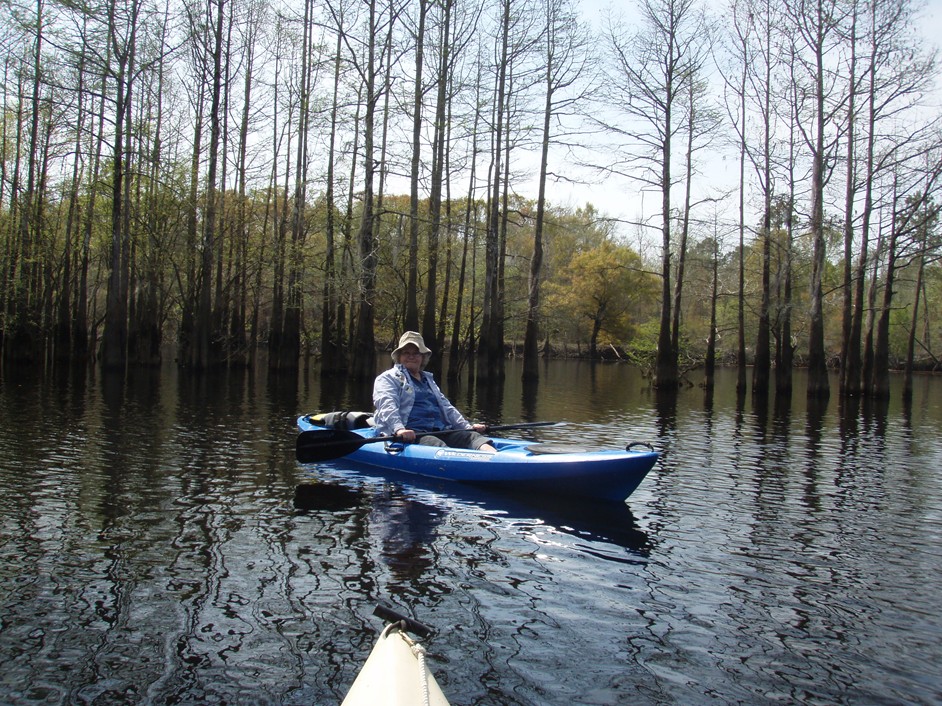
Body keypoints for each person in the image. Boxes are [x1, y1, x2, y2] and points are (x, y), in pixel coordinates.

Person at [373, 331, 497, 452]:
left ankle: (494, 458)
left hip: (441, 430)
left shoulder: (428, 380)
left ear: (422, 357)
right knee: (435, 444)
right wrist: (399, 429)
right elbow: (387, 405)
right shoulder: (387, 378)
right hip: (413, 433)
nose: (411, 356)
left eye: (416, 353)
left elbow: (447, 408)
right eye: (406, 353)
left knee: (473, 438)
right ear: (399, 357)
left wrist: (467, 428)